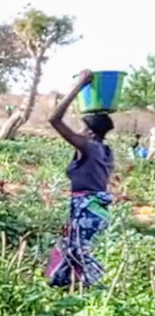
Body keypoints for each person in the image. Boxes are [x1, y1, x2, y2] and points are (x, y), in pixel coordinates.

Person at [46, 70, 115, 288]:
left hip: (87, 209)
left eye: (83, 128)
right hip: (93, 209)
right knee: (72, 248)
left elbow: (54, 119)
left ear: (91, 133)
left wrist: (79, 86)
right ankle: (62, 284)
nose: (79, 132)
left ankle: (99, 288)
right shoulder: (105, 150)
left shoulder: (89, 147)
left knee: (80, 252)